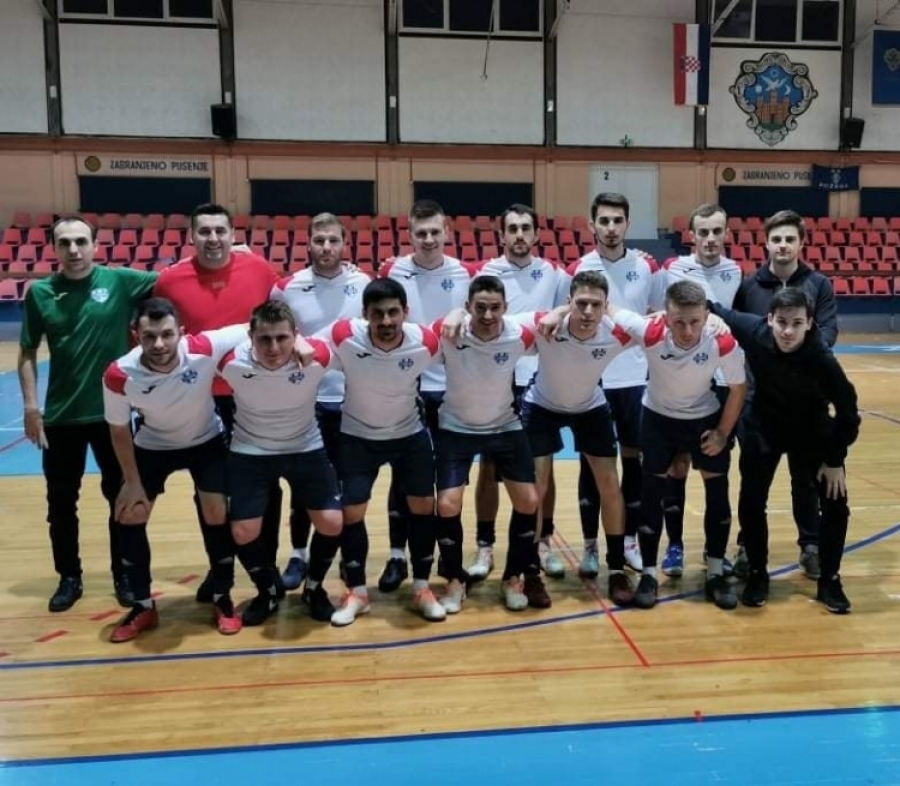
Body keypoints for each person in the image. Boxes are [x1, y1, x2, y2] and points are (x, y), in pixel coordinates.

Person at [18, 216, 157, 612]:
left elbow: (180, 276)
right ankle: (69, 577)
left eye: (81, 241)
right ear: (54, 248)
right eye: (65, 243)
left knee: (122, 497)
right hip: (61, 418)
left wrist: (236, 252)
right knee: (61, 504)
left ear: (96, 245)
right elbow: (27, 352)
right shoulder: (40, 293)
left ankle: (123, 574)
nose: (74, 250)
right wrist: (31, 407)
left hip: (114, 416)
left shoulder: (120, 281)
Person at [153, 203, 283, 602]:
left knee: (265, 485)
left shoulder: (260, 270)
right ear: (192, 236)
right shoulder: (169, 281)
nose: (213, 239)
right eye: (204, 231)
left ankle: (267, 567)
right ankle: (220, 568)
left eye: (219, 231)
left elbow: (288, 310)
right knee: (209, 493)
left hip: (254, 398)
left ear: (233, 234)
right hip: (199, 401)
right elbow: (156, 335)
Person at [101, 298, 251, 642]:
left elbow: (255, 327)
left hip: (205, 441)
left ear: (181, 333)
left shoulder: (203, 348)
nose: (159, 344)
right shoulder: (119, 374)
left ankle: (222, 597)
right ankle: (142, 605)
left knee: (216, 510)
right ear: (135, 335)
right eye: (149, 336)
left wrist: (297, 341)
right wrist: (132, 482)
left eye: (166, 335)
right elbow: (119, 430)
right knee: (129, 513)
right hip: (153, 445)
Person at [709, 288, 859, 613]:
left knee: (835, 504)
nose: (788, 331)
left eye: (796, 323)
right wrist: (707, 317)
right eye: (782, 322)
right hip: (765, 425)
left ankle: (830, 580)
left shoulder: (821, 358)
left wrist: (835, 461)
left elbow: (849, 413)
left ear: (809, 324)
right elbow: (712, 307)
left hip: (812, 429)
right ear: (770, 320)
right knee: (751, 501)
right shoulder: (754, 331)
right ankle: (758, 573)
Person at [607, 281, 746, 610]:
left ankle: (715, 573)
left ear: (706, 316)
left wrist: (722, 433)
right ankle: (649, 574)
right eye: (679, 322)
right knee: (651, 495)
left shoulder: (721, 340)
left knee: (717, 491)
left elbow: (738, 388)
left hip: (704, 418)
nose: (687, 330)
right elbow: (611, 307)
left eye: (695, 321)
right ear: (665, 317)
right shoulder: (651, 331)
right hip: (659, 419)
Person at [321, 278, 443, 626]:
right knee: (351, 513)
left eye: (393, 312)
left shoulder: (426, 342)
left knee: (423, 507)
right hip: (357, 437)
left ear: (406, 312)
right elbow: (308, 344)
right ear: (365, 314)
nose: (386, 321)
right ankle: (358, 593)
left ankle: (422, 588)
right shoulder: (344, 334)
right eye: (378, 314)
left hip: (409, 436)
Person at [729, 209, 839, 581]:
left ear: (801, 243)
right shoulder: (749, 286)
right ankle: (747, 546)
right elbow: (738, 332)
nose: (783, 245)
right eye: (776, 239)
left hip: (806, 404)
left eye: (790, 239)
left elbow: (828, 332)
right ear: (766, 243)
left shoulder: (819, 285)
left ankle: (811, 546)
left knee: (805, 481)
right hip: (759, 404)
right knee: (753, 485)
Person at [217, 300, 342, 626]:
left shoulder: (317, 357)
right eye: (265, 339)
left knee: (332, 522)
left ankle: (314, 588)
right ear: (251, 337)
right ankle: (268, 590)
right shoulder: (230, 361)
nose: (273, 347)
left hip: (305, 447)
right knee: (243, 531)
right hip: (250, 451)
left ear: (295, 335)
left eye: (282, 338)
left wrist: (304, 342)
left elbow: (348, 335)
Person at [518, 271, 637, 605]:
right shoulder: (546, 326)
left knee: (610, 484)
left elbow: (661, 323)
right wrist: (459, 314)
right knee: (535, 488)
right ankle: (531, 572)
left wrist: (715, 319)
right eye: (581, 303)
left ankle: (617, 568)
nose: (587, 311)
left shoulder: (617, 333)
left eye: (596, 305)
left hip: (590, 407)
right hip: (541, 406)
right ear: (568, 302)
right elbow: (495, 322)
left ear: (606, 306)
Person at [468, 204, 571, 582]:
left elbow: (572, 305)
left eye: (526, 228)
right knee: (489, 467)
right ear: (502, 235)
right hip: (496, 381)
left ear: (537, 234)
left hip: (540, 381)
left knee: (544, 467)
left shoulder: (554, 273)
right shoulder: (485, 273)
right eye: (512, 228)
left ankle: (542, 543)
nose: (519, 235)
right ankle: (485, 545)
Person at [269, 213, 370, 591]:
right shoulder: (286, 288)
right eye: (319, 240)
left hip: (352, 401)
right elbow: (273, 337)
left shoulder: (363, 284)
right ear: (308, 243)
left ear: (345, 243)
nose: (326, 247)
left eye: (333, 240)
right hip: (305, 402)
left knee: (349, 484)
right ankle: (298, 554)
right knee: (303, 486)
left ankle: (345, 553)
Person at [567, 193, 666, 577]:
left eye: (617, 220)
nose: (611, 228)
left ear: (628, 223)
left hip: (635, 381)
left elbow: (657, 315)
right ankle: (591, 547)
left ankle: (628, 543)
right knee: (591, 465)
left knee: (633, 463)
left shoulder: (646, 265)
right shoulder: (579, 268)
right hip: (593, 381)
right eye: (604, 221)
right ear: (592, 225)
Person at [432, 276, 545, 612]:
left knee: (528, 500)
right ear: (468, 307)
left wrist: (561, 312)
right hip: (456, 427)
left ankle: (513, 577)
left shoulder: (519, 333)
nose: (487, 315)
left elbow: (557, 316)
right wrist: (452, 315)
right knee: (448, 504)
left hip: (504, 426)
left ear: (505, 308)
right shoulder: (448, 332)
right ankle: (455, 579)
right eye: (479, 307)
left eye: (495, 308)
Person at [377, 200, 473, 593]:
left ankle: (447, 558)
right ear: (410, 234)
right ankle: (397, 556)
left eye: (435, 232)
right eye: (421, 233)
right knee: (404, 477)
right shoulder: (393, 271)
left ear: (446, 231)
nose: (429, 239)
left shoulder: (464, 273)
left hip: (451, 389)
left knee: (449, 481)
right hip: (407, 387)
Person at [659, 204, 742, 578]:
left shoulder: (735, 271)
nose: (710, 238)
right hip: (683, 381)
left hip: (721, 385)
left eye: (716, 231)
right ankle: (674, 546)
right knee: (676, 467)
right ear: (690, 235)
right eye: (703, 232)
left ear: (727, 233)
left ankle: (714, 551)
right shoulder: (674, 270)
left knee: (715, 470)